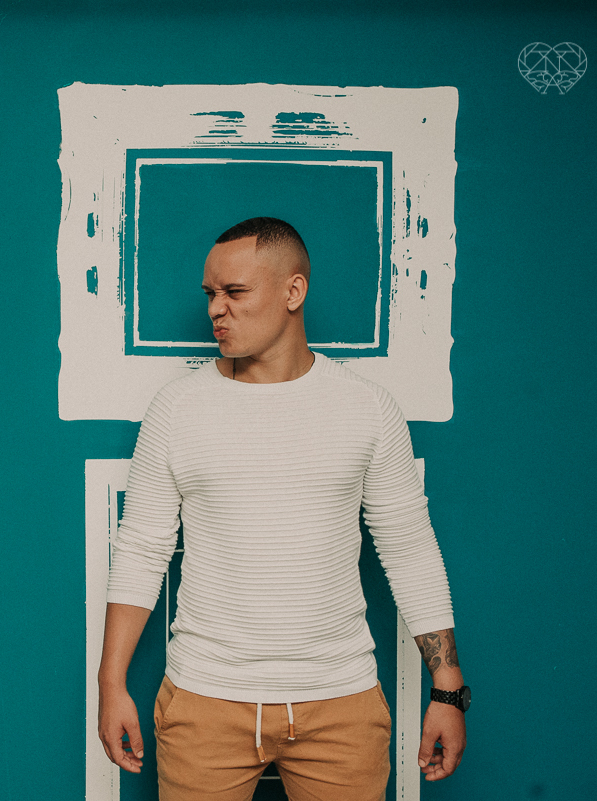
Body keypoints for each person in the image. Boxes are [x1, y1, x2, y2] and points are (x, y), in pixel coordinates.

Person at [97, 218, 468, 800]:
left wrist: (446, 689)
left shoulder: (367, 408)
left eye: (235, 292)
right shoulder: (177, 409)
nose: (217, 309)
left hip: (340, 705)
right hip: (204, 702)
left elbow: (409, 546)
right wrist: (110, 681)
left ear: (293, 292)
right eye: (210, 295)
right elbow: (142, 548)